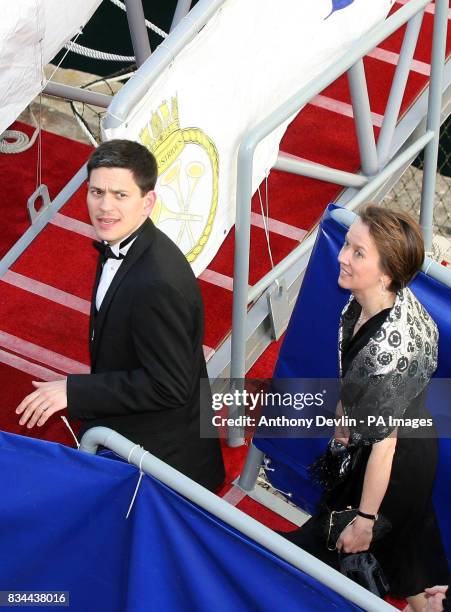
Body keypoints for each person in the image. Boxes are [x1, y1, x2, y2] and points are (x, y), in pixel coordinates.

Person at [15, 139, 225, 492]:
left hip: (161, 461)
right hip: (136, 430)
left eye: (120, 195)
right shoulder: (124, 243)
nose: (104, 206)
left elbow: (169, 386)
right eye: (97, 192)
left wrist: (74, 391)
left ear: (148, 202)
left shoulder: (156, 282)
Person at [282, 205, 448, 610]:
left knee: (304, 555)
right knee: (407, 561)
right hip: (403, 443)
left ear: (386, 271)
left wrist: (365, 519)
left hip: (391, 465)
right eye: (347, 244)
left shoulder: (389, 348)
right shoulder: (382, 298)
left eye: (358, 252)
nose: (341, 255)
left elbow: (384, 445)